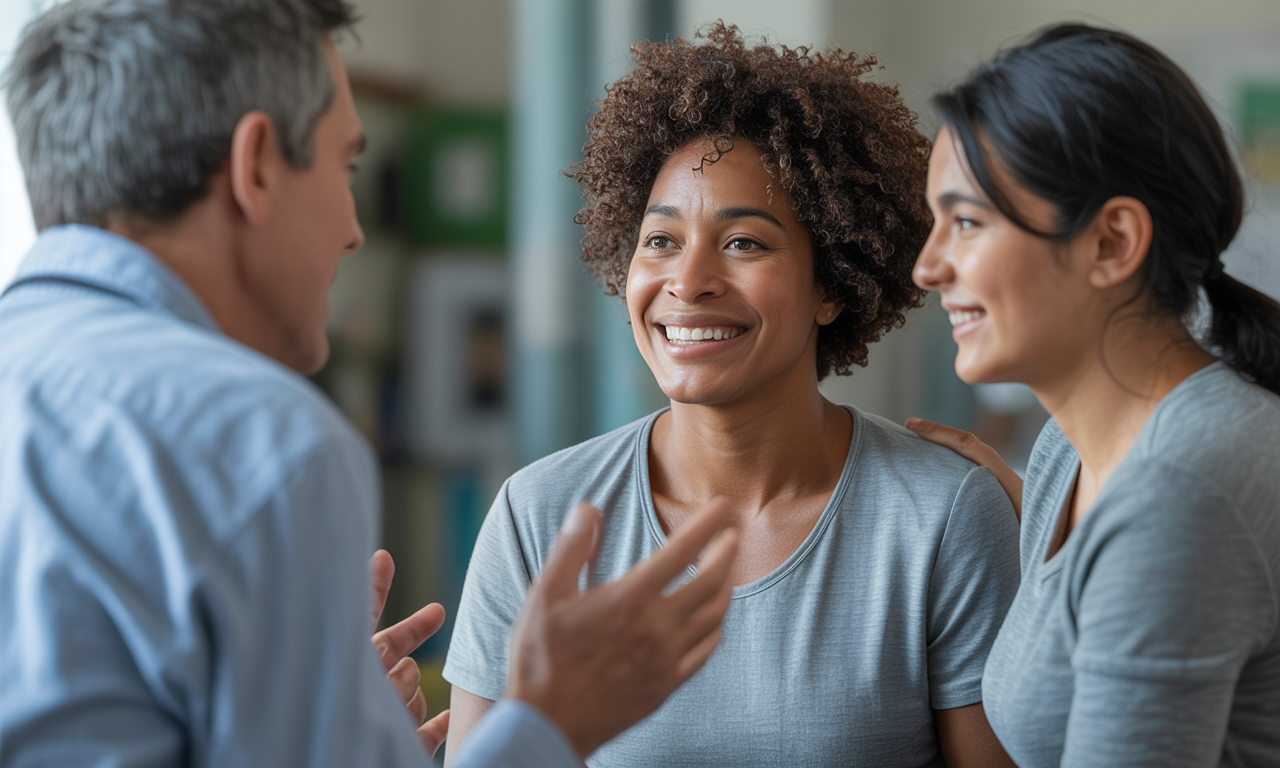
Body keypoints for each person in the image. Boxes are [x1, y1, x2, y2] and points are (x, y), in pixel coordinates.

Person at [0, 1, 740, 766]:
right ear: (255, 165)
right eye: (343, 165)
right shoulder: (263, 441)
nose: (353, 228)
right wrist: (551, 721)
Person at [443, 24, 1020, 767]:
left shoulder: (942, 516)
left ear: (832, 286)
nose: (687, 281)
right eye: (660, 240)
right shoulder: (538, 516)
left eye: (744, 242)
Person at [907, 23, 1280, 767]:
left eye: (968, 223)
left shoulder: (1180, 489)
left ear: (1111, 242)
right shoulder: (1062, 452)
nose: (927, 267)